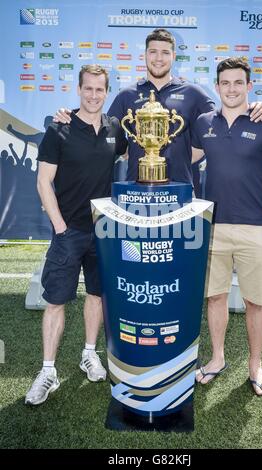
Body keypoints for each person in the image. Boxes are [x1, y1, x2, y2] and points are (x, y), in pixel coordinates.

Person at [25, 65, 127, 405]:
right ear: (79, 89)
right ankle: (48, 370)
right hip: (68, 231)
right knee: (55, 301)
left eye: (100, 90)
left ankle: (88, 354)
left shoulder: (115, 128)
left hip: (104, 232)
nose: (94, 95)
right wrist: (60, 226)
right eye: (88, 89)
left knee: (96, 296)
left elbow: (131, 153)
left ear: (107, 91)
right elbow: (43, 182)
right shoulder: (60, 128)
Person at [191, 57, 262, 396]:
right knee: (215, 297)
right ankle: (217, 358)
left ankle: (255, 366)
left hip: (255, 229)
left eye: (238, 83)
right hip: (214, 228)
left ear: (249, 86)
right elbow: (183, 159)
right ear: (217, 87)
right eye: (225, 83)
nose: (231, 89)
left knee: (255, 302)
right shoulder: (204, 122)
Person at [55, 29, 262, 184]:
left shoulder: (193, 93)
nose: (159, 58)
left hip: (182, 187)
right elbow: (103, 129)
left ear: (174, 56)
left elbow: (223, 118)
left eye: (165, 52)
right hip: (137, 186)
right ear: (145, 55)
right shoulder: (126, 95)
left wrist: (253, 106)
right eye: (153, 51)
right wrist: (70, 115)